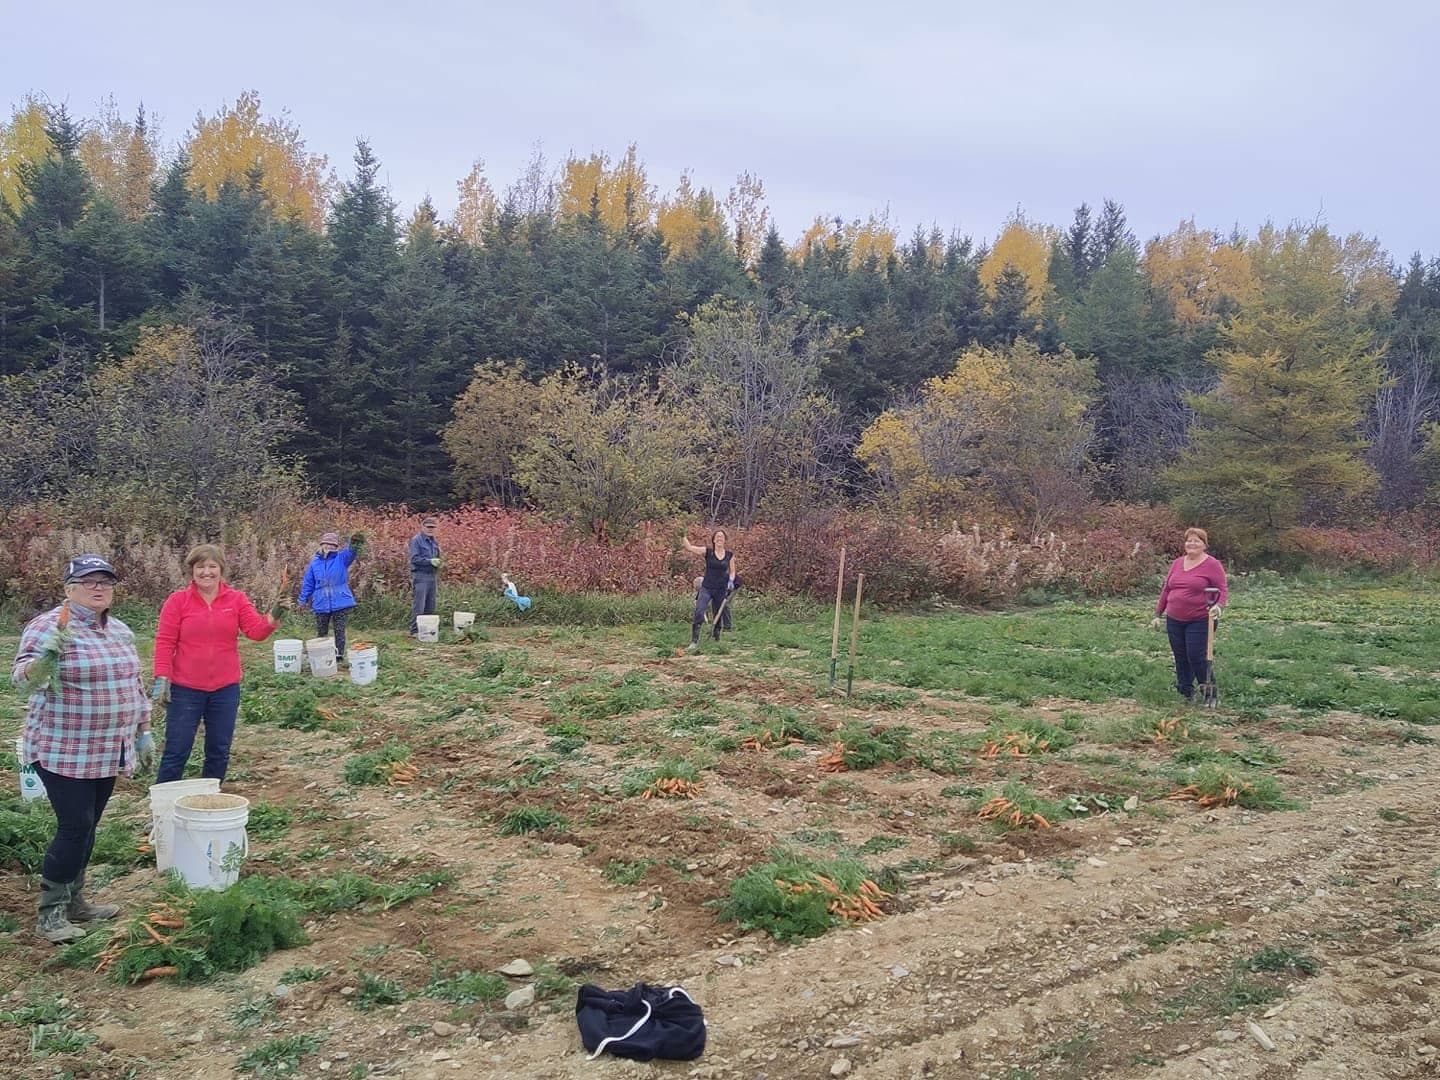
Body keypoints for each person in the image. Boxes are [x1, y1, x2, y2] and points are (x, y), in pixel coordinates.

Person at [11, 556, 154, 944]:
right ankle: (50, 913)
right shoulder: (48, 626)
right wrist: (43, 663)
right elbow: (21, 679)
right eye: (88, 581)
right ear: (68, 589)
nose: (98, 588)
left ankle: (76, 901)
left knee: (89, 825)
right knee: (74, 826)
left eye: (105, 582)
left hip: (107, 749)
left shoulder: (120, 630)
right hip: (63, 748)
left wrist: (143, 730)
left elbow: (135, 683)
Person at [153, 544, 282, 784]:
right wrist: (162, 676)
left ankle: (210, 806)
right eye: (200, 566)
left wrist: (274, 617)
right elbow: (165, 641)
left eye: (212, 566)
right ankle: (163, 809)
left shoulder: (236, 599)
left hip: (225, 689)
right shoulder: (177, 601)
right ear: (191, 570)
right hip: (185, 689)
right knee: (176, 751)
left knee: (218, 751)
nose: (206, 572)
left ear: (221, 570)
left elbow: (255, 631)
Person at [1153, 527, 1228, 702]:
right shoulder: (1177, 563)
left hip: (1200, 619)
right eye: (1189, 540)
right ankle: (1185, 692)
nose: (1191, 543)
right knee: (1180, 656)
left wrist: (1219, 606)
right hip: (1174, 619)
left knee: (1196, 655)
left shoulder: (1212, 564)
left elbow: (1222, 589)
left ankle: (1209, 693)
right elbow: (1167, 589)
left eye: (1196, 540)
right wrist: (1158, 613)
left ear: (1204, 545)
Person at [298, 530, 365, 661]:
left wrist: (355, 542)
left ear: (336, 547)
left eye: (332, 545)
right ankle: (322, 655)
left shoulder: (342, 558)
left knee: (339, 630)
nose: (328, 547)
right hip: (321, 602)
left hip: (341, 601)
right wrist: (302, 600)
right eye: (326, 544)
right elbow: (308, 583)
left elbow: (352, 551)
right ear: (321, 545)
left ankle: (339, 655)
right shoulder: (314, 563)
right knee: (321, 631)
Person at [681, 528, 737, 652]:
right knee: (699, 611)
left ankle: (716, 639)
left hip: (721, 589)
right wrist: (682, 535)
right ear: (713, 539)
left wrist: (731, 581)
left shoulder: (729, 555)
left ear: (725, 540)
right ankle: (694, 641)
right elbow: (690, 548)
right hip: (707, 587)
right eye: (717, 536)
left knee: (718, 614)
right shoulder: (708, 552)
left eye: (722, 537)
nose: (719, 539)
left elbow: (732, 571)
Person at [408, 517, 441, 635]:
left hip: (432, 575)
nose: (430, 529)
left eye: (433, 527)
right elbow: (414, 559)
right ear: (422, 527)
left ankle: (426, 630)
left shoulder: (434, 541)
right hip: (420, 575)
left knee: (430, 605)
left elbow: (437, 556)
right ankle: (414, 630)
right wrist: (429, 561)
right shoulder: (416, 540)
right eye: (428, 527)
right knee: (419, 605)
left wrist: (438, 562)